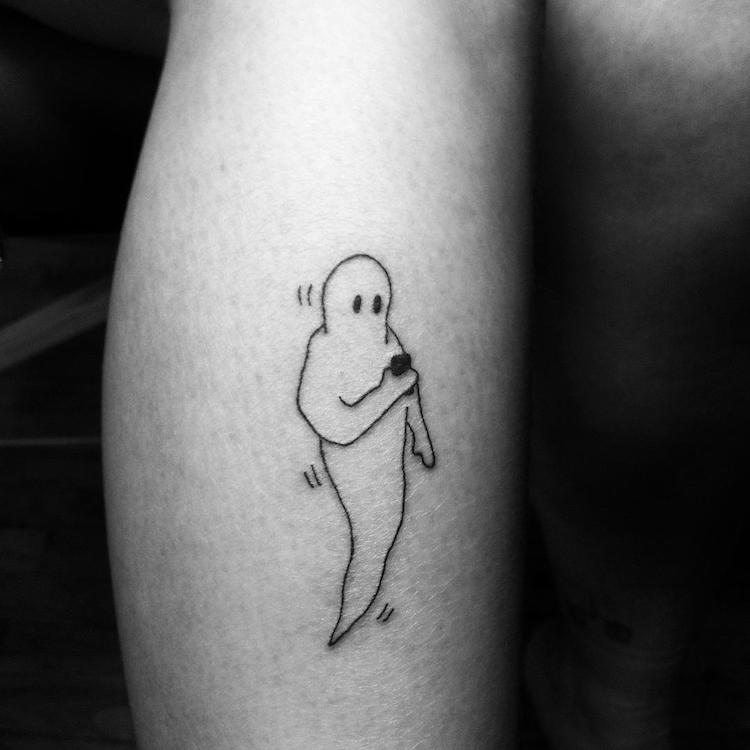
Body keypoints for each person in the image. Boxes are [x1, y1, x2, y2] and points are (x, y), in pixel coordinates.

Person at [2, 1, 748, 748]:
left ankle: (611, 677)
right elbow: (333, 418)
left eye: (377, 302)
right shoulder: (326, 355)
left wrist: (417, 430)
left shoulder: (382, 336)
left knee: (686, 38)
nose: (371, 312)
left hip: (393, 472)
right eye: (358, 302)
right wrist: (392, 395)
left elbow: (408, 397)